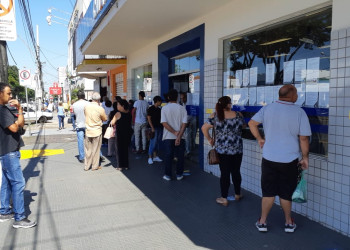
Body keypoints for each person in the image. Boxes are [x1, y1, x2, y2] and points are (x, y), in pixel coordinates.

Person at [248, 84, 311, 233]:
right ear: (291, 95)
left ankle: (262, 222)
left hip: (269, 158)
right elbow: (303, 138)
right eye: (296, 93)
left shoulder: (268, 108)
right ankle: (289, 223)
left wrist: (259, 138)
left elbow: (252, 123)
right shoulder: (299, 112)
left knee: (268, 192)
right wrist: (305, 157)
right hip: (289, 161)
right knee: (285, 193)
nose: (297, 96)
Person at [0, 82, 36, 228]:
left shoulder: (7, 109)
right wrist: (17, 120)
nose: (11, 96)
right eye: (8, 93)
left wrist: (20, 109)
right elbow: (15, 127)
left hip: (8, 151)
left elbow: (20, 124)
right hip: (8, 151)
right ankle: (19, 217)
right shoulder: (2, 111)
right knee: (18, 183)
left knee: (7, 182)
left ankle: (4, 211)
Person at [201, 96, 245, 206]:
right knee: (236, 171)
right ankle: (237, 194)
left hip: (222, 151)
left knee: (224, 174)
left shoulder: (215, 116)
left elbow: (203, 128)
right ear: (229, 104)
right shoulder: (239, 115)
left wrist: (210, 139)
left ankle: (224, 198)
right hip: (237, 149)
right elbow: (243, 126)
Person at [161, 89, 187, 181]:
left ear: (168, 97)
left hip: (168, 137)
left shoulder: (164, 108)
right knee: (180, 156)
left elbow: (164, 123)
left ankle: (168, 175)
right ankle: (179, 174)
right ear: (177, 97)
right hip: (181, 137)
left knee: (168, 156)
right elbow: (184, 124)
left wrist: (174, 133)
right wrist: (179, 136)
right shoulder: (182, 108)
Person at [84, 92, 107, 171]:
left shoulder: (86, 106)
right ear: (99, 99)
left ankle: (87, 166)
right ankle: (94, 166)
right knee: (96, 150)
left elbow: (85, 115)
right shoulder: (100, 108)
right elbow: (105, 119)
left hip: (88, 131)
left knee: (88, 150)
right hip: (97, 131)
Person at [110, 99, 132, 171]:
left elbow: (112, 123)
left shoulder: (118, 114)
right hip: (128, 133)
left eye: (118, 104)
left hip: (120, 134)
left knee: (119, 150)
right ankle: (126, 165)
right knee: (125, 149)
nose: (117, 106)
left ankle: (120, 166)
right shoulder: (129, 113)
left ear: (122, 106)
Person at [73, 91, 89, 163]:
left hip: (79, 124)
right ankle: (99, 155)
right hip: (88, 124)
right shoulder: (88, 103)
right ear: (84, 96)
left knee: (80, 141)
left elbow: (74, 114)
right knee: (92, 140)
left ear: (77, 96)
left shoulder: (74, 104)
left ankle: (81, 157)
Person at [147, 96, 163, 165]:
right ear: (157, 101)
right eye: (160, 101)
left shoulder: (159, 109)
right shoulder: (151, 108)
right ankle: (150, 157)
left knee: (157, 143)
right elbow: (149, 118)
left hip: (159, 127)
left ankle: (155, 156)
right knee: (152, 143)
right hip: (153, 128)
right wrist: (152, 127)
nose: (161, 102)